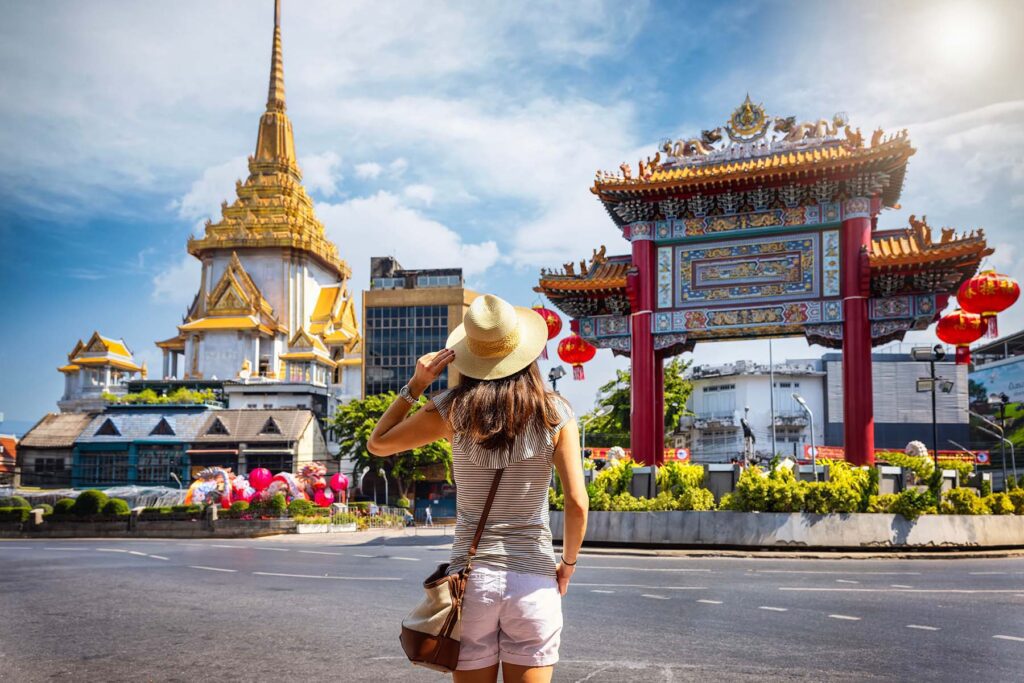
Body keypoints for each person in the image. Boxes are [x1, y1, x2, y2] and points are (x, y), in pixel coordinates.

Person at [368, 294, 588, 683]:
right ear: (525, 353)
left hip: (472, 583)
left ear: (469, 355)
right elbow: (576, 502)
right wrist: (566, 566)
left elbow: (378, 443)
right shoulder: (557, 412)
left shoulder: (452, 408)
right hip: (534, 578)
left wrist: (416, 384)